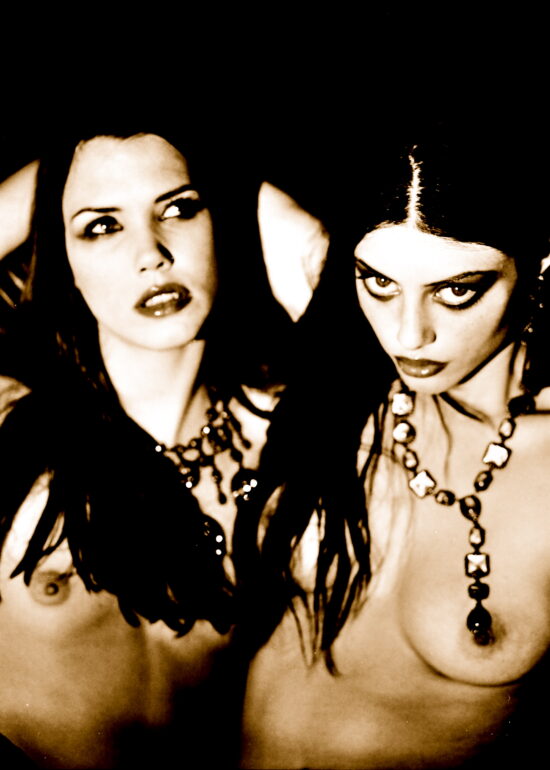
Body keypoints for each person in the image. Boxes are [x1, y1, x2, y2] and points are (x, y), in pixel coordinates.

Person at [0, 123, 321, 768]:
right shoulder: (10, 422)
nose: (151, 254)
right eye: (101, 226)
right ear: (62, 260)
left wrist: (251, 197)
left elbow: (384, 308)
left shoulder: (281, 428)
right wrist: (59, 165)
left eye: (179, 209)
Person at [240, 120, 550, 769]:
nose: (408, 335)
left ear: (538, 268)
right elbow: (180, 156)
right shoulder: (343, 354)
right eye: (379, 281)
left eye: (457, 290)